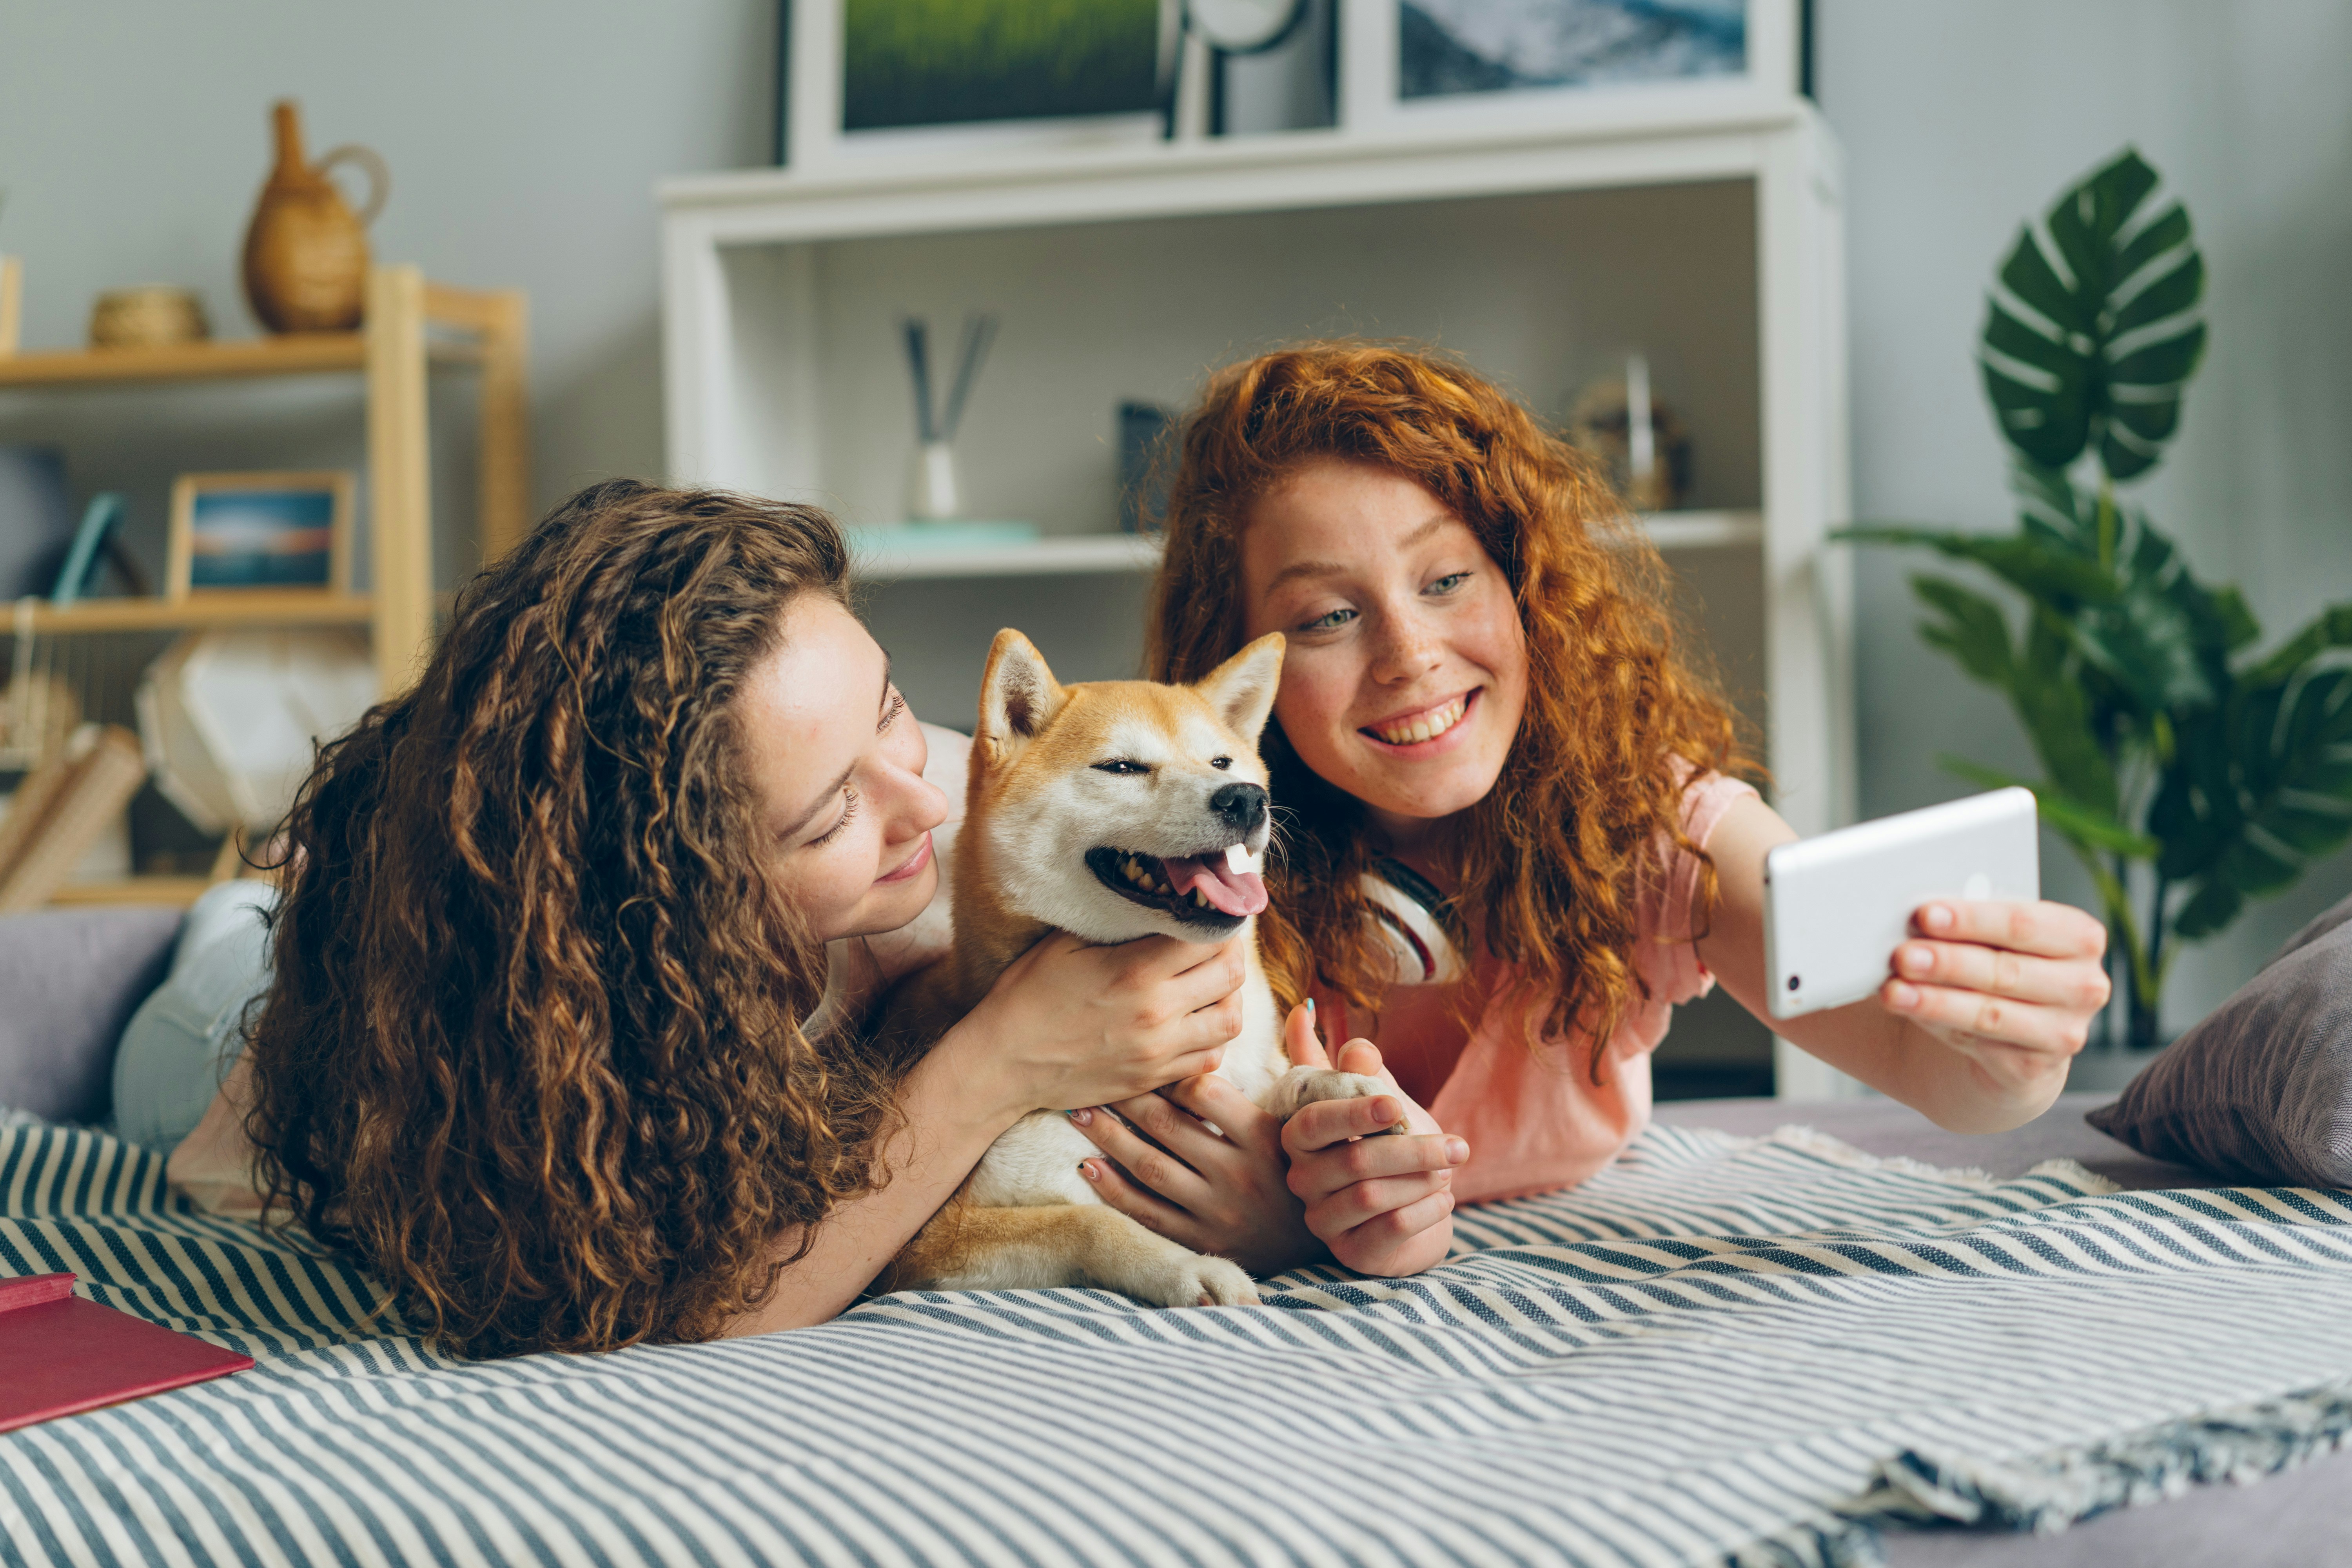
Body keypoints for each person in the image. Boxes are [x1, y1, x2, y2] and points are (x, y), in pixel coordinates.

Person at [1065, 342, 2112, 1280]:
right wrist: (1299, 1230)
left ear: (1523, 588)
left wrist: (2012, 1063)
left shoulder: (1649, 827)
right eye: (1330, 616)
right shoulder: (1178, 886)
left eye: (1446, 579)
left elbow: (1930, 1068)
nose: (1410, 655)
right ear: (1236, 667)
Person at [160, 479, 1250, 1357]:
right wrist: (995, 1063)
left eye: (890, 711)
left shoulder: (958, 821)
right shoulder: (553, 1040)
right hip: (219, 1028)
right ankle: (270, 889)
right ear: (683, 894)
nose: (923, 801)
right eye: (831, 816)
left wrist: (1267, 1204)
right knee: (230, 940)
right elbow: (704, 1306)